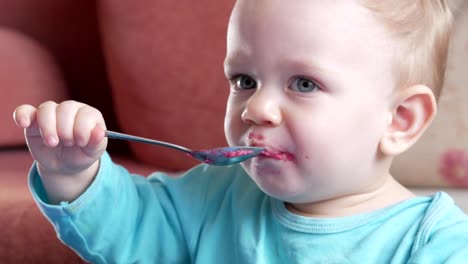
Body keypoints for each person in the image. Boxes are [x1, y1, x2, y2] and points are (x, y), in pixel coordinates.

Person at [13, 0, 468, 263]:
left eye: (304, 84)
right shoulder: (213, 197)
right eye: (244, 81)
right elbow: (126, 230)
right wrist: (74, 172)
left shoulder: (435, 245)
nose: (257, 108)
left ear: (399, 120)